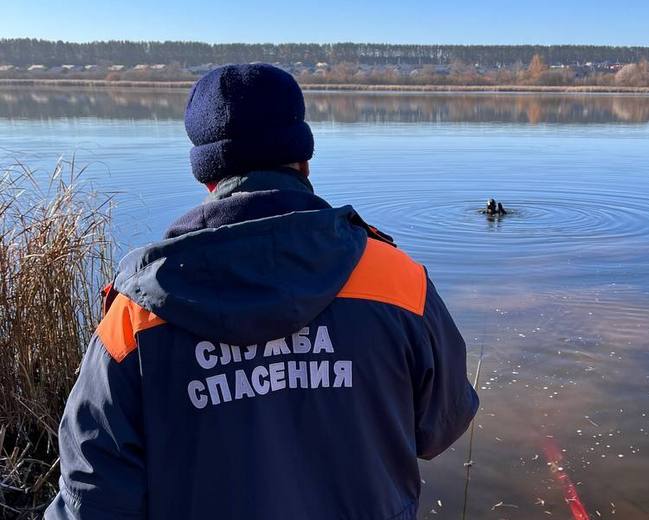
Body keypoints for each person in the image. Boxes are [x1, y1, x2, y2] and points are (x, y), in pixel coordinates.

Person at [45, 64, 479, 520]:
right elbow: (443, 424)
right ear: (303, 160)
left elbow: (91, 501)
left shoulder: (136, 319)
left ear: (206, 177)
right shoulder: (397, 283)